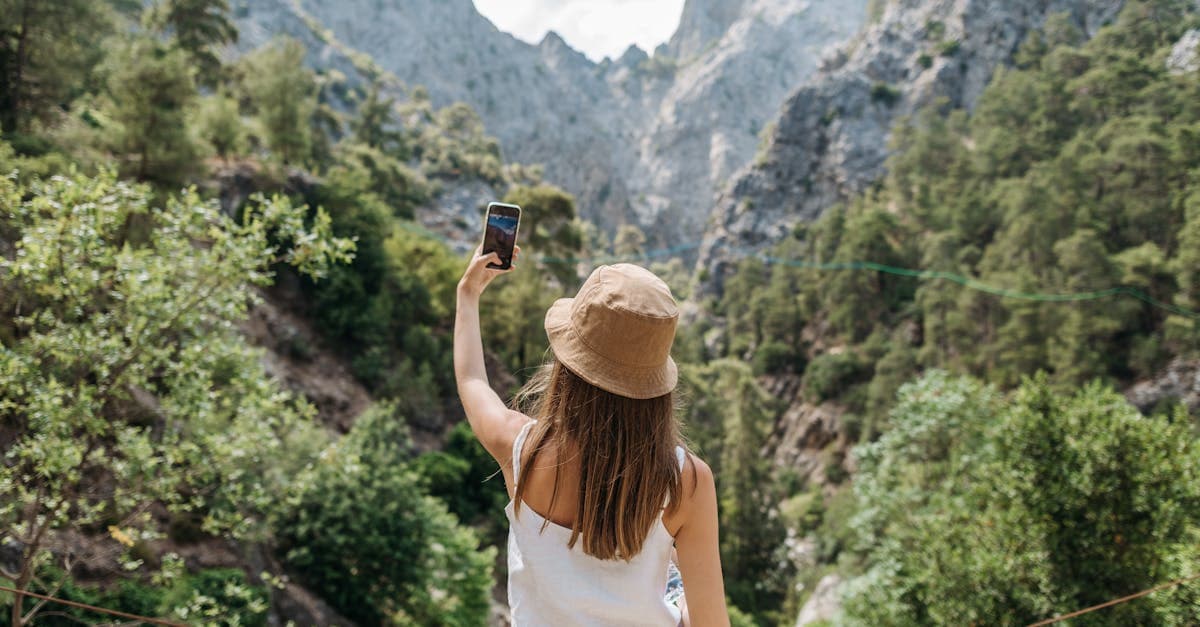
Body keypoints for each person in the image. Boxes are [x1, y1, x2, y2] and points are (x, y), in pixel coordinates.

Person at [455, 245, 730, 626]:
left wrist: (467, 294)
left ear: (569, 366)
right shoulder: (687, 482)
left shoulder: (521, 448)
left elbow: (471, 381)